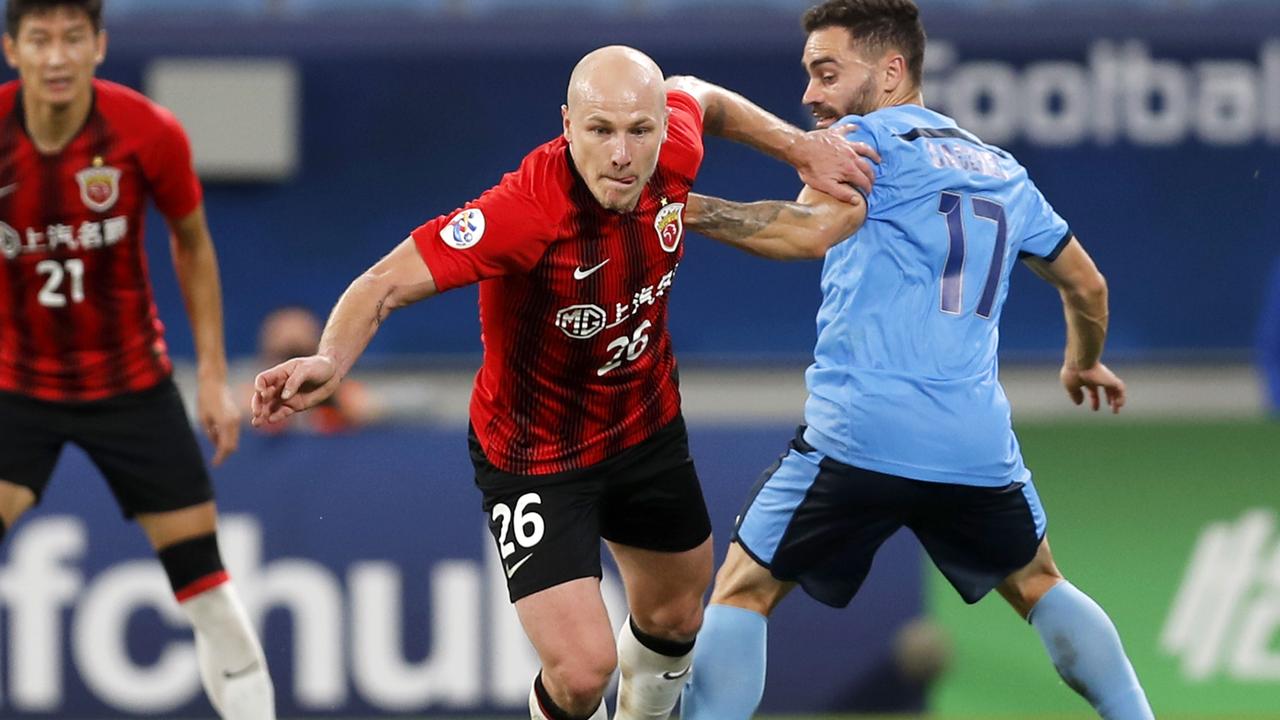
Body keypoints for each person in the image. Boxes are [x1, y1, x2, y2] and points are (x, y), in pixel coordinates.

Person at [251, 45, 874, 720]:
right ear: (567, 125)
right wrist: (329, 362)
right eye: (600, 130)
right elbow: (382, 285)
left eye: (640, 130)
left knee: (674, 615)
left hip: (644, 427)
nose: (622, 153)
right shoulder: (523, 212)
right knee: (581, 673)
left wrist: (799, 150)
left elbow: (700, 94)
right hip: (535, 458)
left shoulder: (672, 155)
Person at [676, 2, 1155, 718]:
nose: (811, 94)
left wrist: (676, 206)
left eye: (827, 72)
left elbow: (801, 234)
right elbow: (1087, 284)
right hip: (973, 447)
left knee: (744, 588)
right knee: (1039, 584)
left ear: (892, 71)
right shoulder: (1001, 170)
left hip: (860, 437)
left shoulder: (862, 142)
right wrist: (1083, 360)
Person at [0, 2, 274, 718]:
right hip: (15, 388)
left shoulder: (148, 131)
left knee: (208, 592)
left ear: (99, 46)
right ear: (12, 50)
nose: (56, 57)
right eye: (39, 40)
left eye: (72, 39)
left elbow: (193, 243)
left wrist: (211, 378)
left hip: (131, 386)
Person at [247, 306, 380, 434]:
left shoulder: (346, 395)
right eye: (284, 355)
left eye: (301, 354)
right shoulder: (250, 399)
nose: (291, 370)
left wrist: (334, 398)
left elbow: (371, 413)